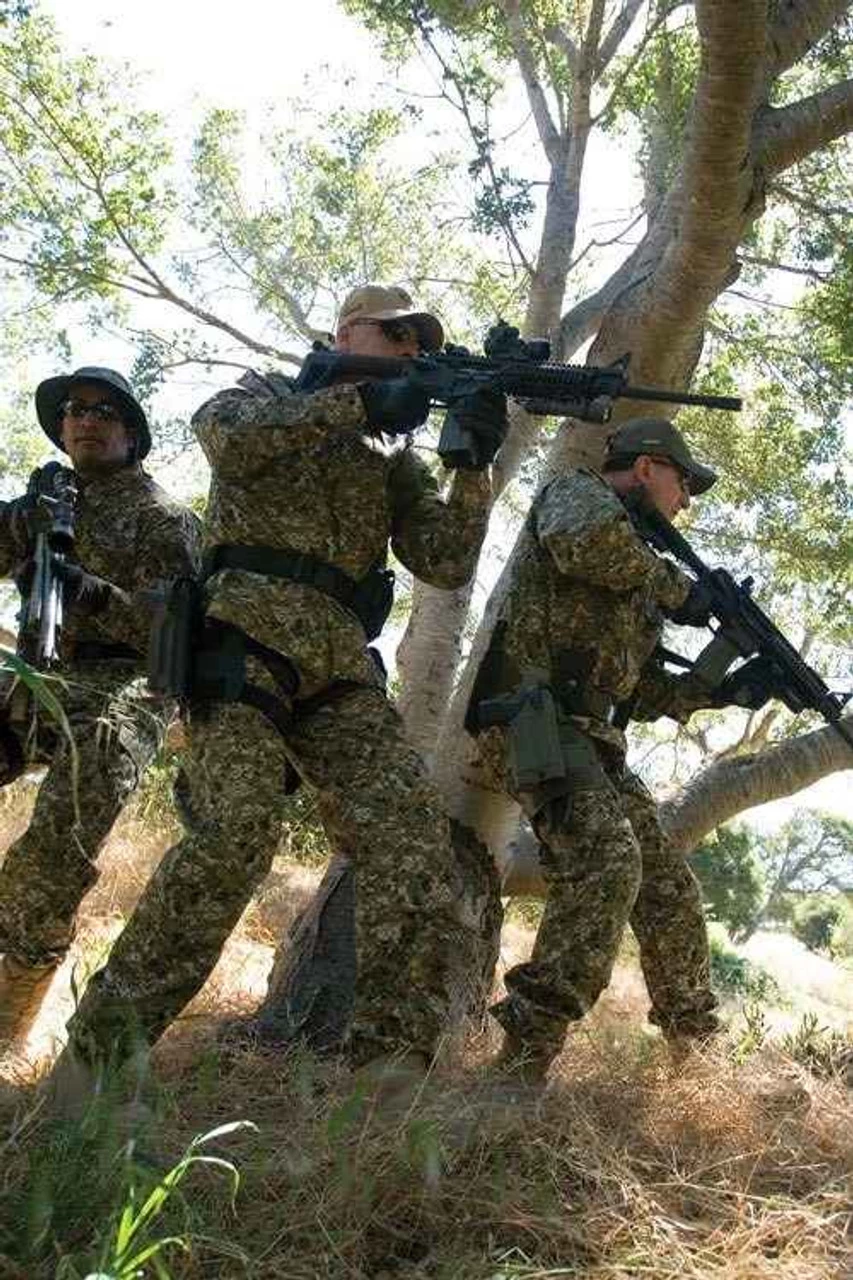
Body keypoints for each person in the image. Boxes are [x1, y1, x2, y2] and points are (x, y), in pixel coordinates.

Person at [56, 284, 507, 1083]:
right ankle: (97, 1063)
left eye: (420, 342)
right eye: (397, 333)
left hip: (339, 664)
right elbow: (223, 438)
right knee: (235, 832)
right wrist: (357, 403)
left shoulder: (393, 461)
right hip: (243, 639)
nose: (412, 349)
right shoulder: (268, 394)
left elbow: (443, 562)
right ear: (347, 332)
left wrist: (471, 468)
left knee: (410, 837)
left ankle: (384, 1067)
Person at [466, 417, 775, 1080]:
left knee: (668, 886)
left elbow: (640, 690)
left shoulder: (636, 566)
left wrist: (723, 688)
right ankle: (521, 1063)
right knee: (607, 860)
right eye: (682, 484)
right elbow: (582, 544)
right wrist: (682, 592)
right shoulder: (577, 496)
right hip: (531, 720)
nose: (684, 501)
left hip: (593, 740)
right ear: (645, 467)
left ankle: (696, 1055)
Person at [0, 367, 200, 1052]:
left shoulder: (162, 517)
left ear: (131, 433)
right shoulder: (44, 501)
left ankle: (10, 1014)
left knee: (63, 831)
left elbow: (169, 630)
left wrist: (90, 592)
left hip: (126, 684)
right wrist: (20, 519)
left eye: (105, 412)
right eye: (75, 410)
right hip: (37, 673)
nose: (86, 420)